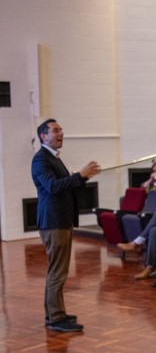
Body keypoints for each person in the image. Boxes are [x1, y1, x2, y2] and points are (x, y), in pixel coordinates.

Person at [31, 119, 101, 332]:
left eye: (61, 130)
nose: (61, 133)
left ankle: (55, 313)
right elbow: (52, 187)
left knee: (58, 270)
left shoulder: (53, 158)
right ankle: (55, 318)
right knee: (58, 271)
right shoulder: (41, 159)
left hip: (61, 220)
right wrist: (79, 175)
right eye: (55, 130)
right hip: (54, 221)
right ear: (44, 136)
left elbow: (63, 185)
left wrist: (82, 177)